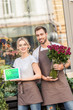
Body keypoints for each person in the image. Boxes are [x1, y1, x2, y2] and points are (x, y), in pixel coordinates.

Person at [33, 26, 73, 110]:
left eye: (41, 34)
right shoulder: (35, 52)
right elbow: (36, 71)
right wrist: (45, 78)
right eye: (37, 35)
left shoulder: (57, 46)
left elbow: (68, 62)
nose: (40, 37)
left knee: (70, 107)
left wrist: (62, 66)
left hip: (61, 83)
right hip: (47, 87)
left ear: (46, 34)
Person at [12, 37, 43, 110]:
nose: (22, 47)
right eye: (20, 45)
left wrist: (22, 79)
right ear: (17, 47)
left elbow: (38, 75)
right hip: (21, 92)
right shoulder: (16, 61)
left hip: (32, 90)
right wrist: (7, 76)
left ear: (28, 46)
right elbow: (15, 76)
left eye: (24, 44)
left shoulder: (32, 59)